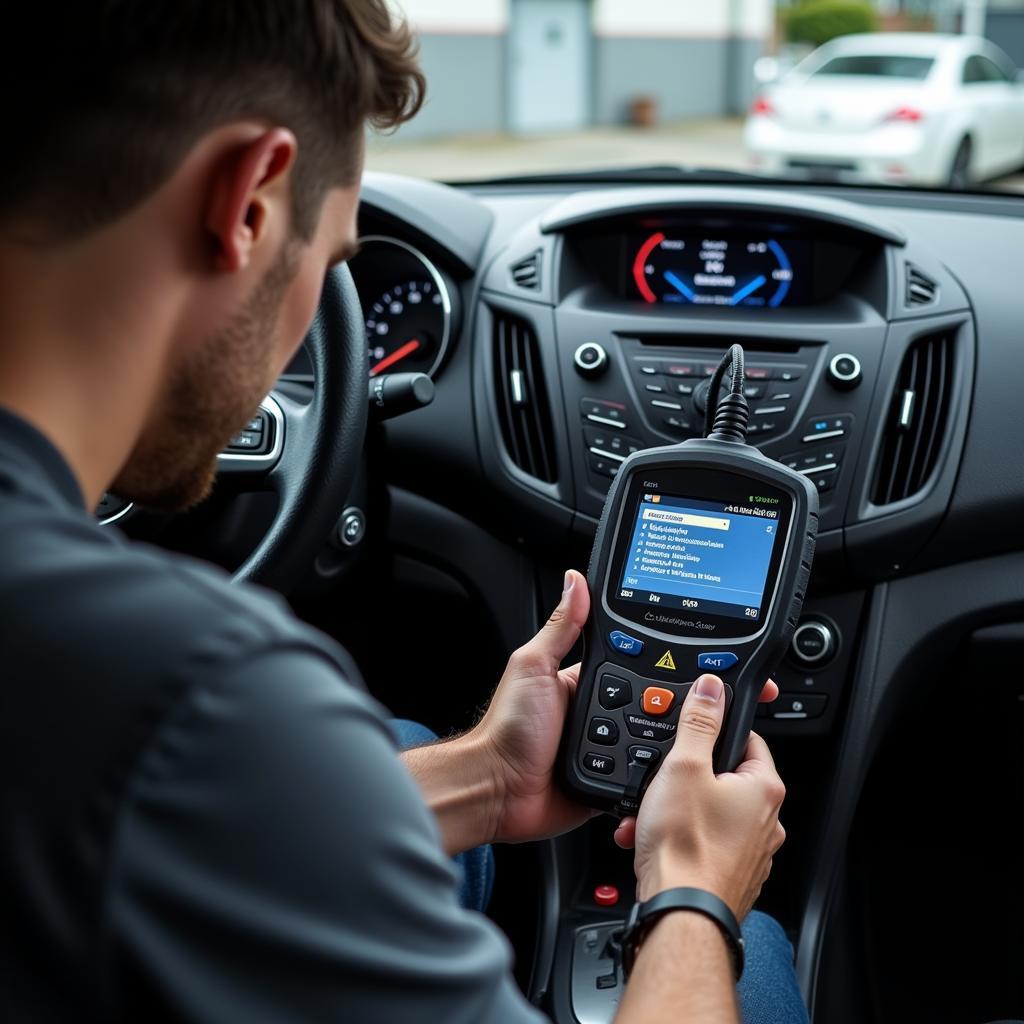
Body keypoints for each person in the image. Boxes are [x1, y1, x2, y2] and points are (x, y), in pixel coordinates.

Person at [0, 4, 805, 1022]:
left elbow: (172, 818)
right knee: (760, 951)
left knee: (402, 739)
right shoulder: (190, 694)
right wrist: (692, 890)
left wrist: (480, 779)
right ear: (247, 199)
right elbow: (188, 770)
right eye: (332, 256)